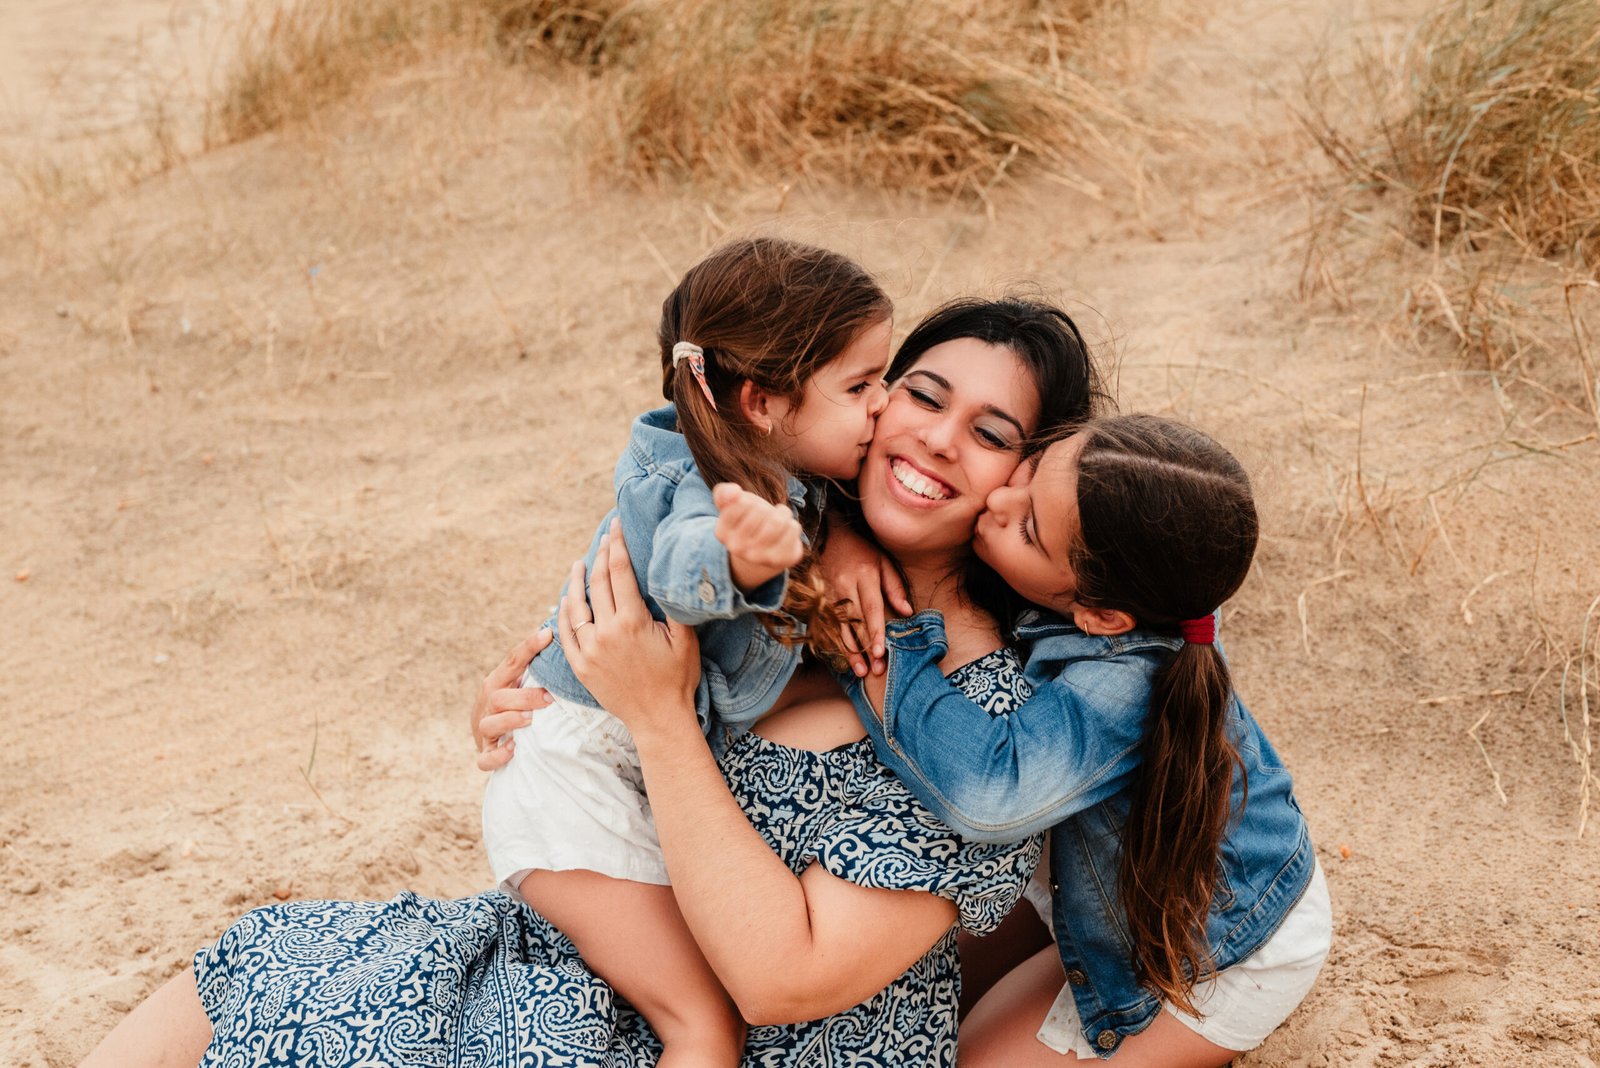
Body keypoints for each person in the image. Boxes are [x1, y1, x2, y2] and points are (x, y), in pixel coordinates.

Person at [83, 294, 1104, 1067]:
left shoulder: (997, 728)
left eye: (990, 434)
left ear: (1025, 480)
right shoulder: (761, 549)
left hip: (748, 1042)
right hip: (572, 953)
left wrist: (656, 717)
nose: (936, 438)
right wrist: (532, 704)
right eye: (920, 395)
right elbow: (587, 660)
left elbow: (783, 981)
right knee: (266, 965)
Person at [479, 235, 892, 1066]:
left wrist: (837, 535)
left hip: (616, 760)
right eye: (860, 386)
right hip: (577, 780)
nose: (884, 404)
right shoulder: (698, 482)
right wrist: (743, 561)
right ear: (762, 402)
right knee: (702, 1024)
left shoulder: (776, 460)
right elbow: (678, 569)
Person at [845, 414, 1331, 1064]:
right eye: (1028, 470)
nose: (999, 500)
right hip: (1102, 885)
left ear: (1101, 618)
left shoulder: (1126, 686)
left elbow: (990, 792)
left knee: (970, 1058)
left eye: (1027, 529)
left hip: (1220, 949)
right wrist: (840, 542)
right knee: (900, 999)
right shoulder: (1125, 551)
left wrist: (883, 647)